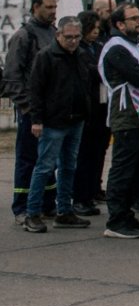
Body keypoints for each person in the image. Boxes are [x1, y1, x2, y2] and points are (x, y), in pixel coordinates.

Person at [21, 16, 93, 233]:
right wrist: (37, 120)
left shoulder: (81, 55)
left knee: (69, 166)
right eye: (68, 37)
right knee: (44, 167)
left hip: (76, 119)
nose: (73, 41)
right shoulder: (46, 57)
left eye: (76, 37)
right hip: (53, 122)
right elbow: (36, 90)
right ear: (58, 35)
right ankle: (32, 213)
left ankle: (64, 210)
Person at [100, 4, 139, 239]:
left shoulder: (137, 43)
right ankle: (116, 219)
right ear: (120, 24)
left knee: (138, 166)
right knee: (123, 167)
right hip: (126, 112)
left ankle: (128, 213)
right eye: (133, 18)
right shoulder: (116, 48)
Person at [8, 0, 58, 223]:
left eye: (54, 7)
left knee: (49, 160)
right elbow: (12, 76)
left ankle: (48, 203)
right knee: (28, 159)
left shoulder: (55, 33)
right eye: (48, 7)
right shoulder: (24, 36)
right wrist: (27, 107)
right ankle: (21, 208)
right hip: (32, 111)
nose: (53, 11)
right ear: (35, 7)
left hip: (53, 111)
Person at [71, 9, 109, 215]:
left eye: (98, 28)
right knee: (85, 154)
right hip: (88, 107)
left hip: (102, 105)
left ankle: (93, 189)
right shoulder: (80, 50)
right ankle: (80, 196)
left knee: (98, 151)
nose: (96, 32)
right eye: (92, 29)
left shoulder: (99, 46)